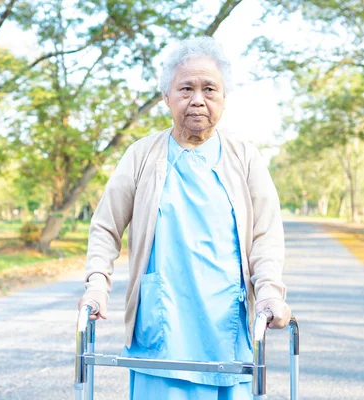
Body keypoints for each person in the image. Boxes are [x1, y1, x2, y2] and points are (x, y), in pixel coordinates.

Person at [78, 36, 291, 400]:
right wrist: (97, 282)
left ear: (224, 98)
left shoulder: (245, 157)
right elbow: (105, 225)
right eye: (186, 88)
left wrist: (269, 291)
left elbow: (265, 234)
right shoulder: (142, 154)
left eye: (210, 89)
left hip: (227, 323)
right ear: (167, 97)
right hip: (162, 325)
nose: (197, 99)